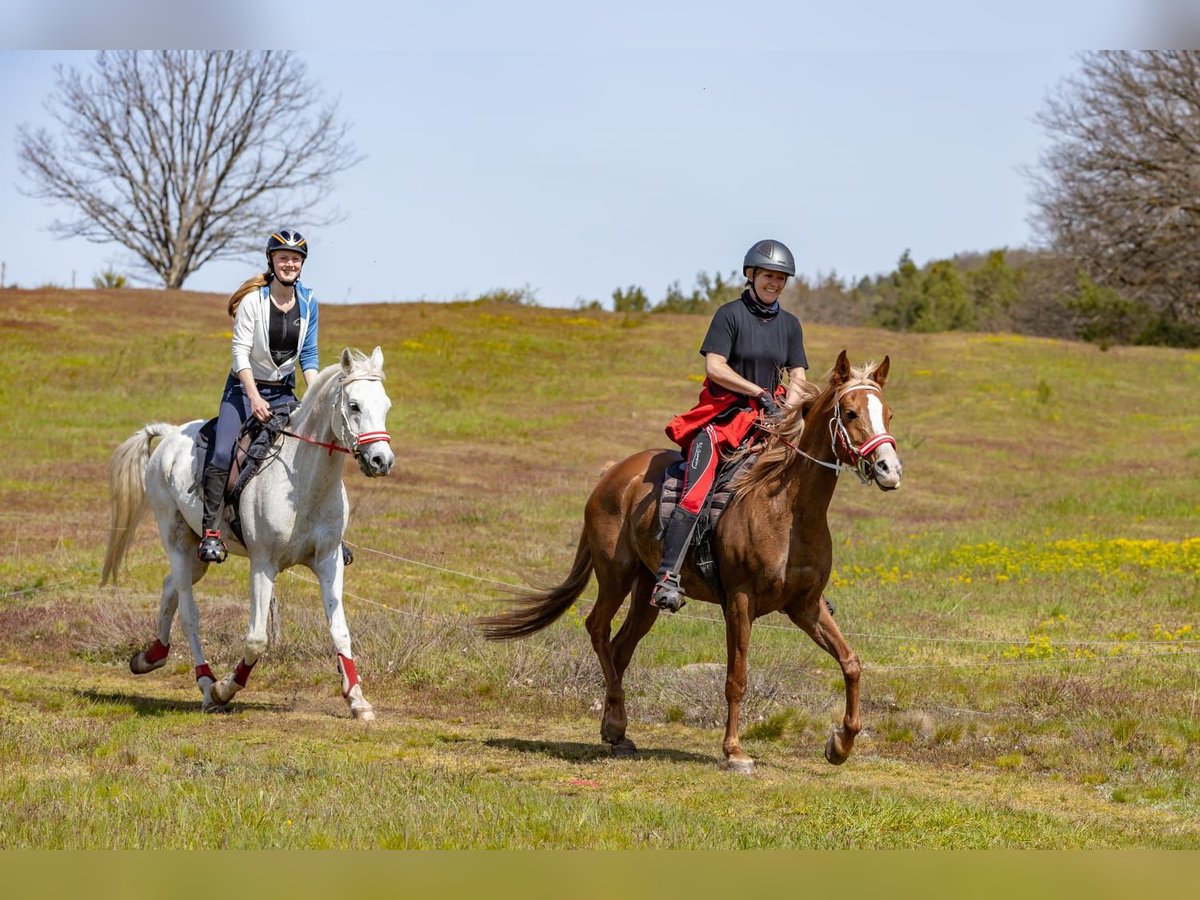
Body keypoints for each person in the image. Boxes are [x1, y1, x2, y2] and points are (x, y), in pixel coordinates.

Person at [651, 238, 809, 612]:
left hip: (772, 423)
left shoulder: (790, 325)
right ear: (751, 275)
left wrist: (787, 405)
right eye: (768, 275)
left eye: (781, 278)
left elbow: (798, 373)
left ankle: (804, 580)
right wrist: (760, 393)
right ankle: (668, 576)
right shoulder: (729, 315)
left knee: (799, 488)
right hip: (725, 418)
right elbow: (715, 368)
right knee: (697, 488)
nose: (774, 283)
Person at [197, 229, 320, 562]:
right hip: (242, 389)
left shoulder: (309, 302)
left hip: (283, 391)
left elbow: (308, 355)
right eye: (283, 258)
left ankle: (321, 529)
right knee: (223, 453)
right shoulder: (254, 301)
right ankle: (211, 531)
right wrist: (253, 397)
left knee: (311, 448)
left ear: (302, 264)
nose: (289, 264)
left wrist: (317, 396)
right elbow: (240, 355)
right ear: (271, 261)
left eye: (295, 259)